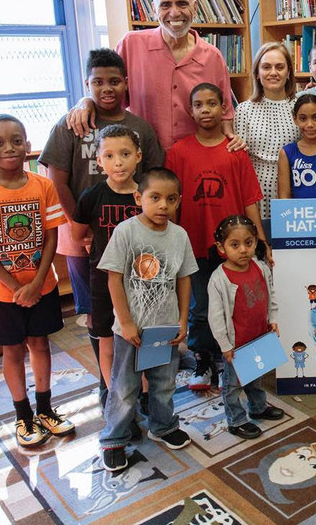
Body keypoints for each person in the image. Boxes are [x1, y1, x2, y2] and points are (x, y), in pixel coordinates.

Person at [40, 48, 163, 401]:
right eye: (97, 82)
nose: (106, 88)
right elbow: (56, 180)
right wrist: (80, 223)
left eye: (114, 81)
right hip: (85, 239)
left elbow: (154, 178)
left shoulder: (140, 128)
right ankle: (108, 383)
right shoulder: (71, 125)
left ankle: (141, 382)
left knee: (142, 309)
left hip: (136, 239)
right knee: (97, 316)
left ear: (126, 83)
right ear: (87, 84)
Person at [0, 114, 75, 448]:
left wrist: (36, 283)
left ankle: (45, 409)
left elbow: (52, 238)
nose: (9, 147)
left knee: (40, 344)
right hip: (1, 293)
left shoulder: (43, 185)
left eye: (16, 140)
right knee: (12, 350)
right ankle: (23, 416)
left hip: (42, 287)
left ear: (28, 146)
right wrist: (15, 288)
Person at [165, 82, 268, 391]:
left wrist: (261, 242)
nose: (205, 109)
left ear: (224, 108)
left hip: (236, 248)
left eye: (212, 103)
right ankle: (205, 359)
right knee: (200, 307)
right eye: (199, 104)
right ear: (190, 110)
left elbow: (250, 200)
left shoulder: (235, 151)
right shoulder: (179, 152)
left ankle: (247, 370)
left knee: (245, 306)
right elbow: (170, 203)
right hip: (195, 245)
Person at [97, 167, 198, 471]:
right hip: (132, 330)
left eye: (170, 199)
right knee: (124, 387)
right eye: (155, 198)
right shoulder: (126, 231)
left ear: (178, 201)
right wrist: (125, 322)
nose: (163, 205)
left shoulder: (179, 236)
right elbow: (114, 279)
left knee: (164, 382)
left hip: (165, 328)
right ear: (139, 197)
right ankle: (114, 439)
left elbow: (184, 280)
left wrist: (183, 320)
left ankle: (163, 426)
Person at [66, 0, 237, 151]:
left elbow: (225, 116)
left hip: (194, 159)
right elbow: (108, 90)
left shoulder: (213, 57)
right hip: (143, 158)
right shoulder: (130, 44)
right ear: (154, 10)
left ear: (194, 8)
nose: (175, 13)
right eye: (165, 5)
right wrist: (86, 101)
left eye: (182, 4)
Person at [71, 125, 146, 406]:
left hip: (143, 283)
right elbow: (79, 235)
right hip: (103, 282)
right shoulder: (92, 196)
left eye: (125, 154)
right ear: (99, 161)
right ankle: (115, 395)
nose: (118, 162)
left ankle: (145, 395)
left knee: (142, 341)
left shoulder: (146, 196)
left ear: (138, 156)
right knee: (107, 340)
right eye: (110, 155)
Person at [207, 215, 285, 439]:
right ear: (221, 247)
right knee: (233, 385)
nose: (243, 250)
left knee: (255, 376)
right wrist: (224, 345)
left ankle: (258, 407)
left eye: (248, 243)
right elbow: (216, 317)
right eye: (235, 244)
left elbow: (271, 295)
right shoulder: (218, 279)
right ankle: (236, 420)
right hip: (236, 345)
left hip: (258, 337)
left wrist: (273, 319)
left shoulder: (260, 267)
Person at [234, 42, 300, 223]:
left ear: (288, 73)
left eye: (280, 67)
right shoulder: (244, 110)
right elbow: (241, 160)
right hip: (256, 190)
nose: (273, 72)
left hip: (294, 188)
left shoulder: (300, 107)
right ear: (257, 73)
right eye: (266, 67)